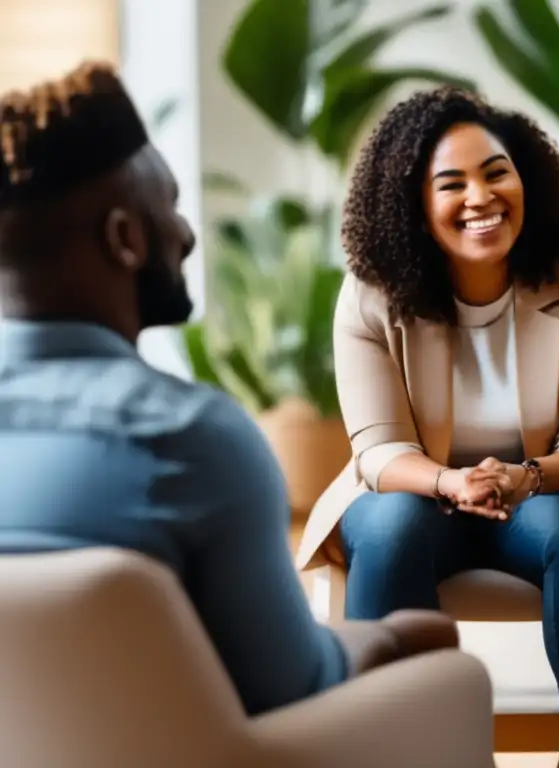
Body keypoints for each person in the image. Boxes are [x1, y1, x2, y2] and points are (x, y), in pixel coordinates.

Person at [0, 61, 457, 717]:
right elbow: (292, 691)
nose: (185, 235)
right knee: (426, 640)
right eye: (170, 206)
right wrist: (391, 636)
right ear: (124, 238)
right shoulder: (188, 441)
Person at [293, 86, 559, 768]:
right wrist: (451, 482)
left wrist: (524, 477)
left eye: (496, 171)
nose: (481, 197)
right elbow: (379, 450)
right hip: (419, 494)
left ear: (525, 175)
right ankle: (404, 745)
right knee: (390, 522)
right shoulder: (372, 291)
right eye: (451, 183)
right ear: (413, 204)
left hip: (547, 495)